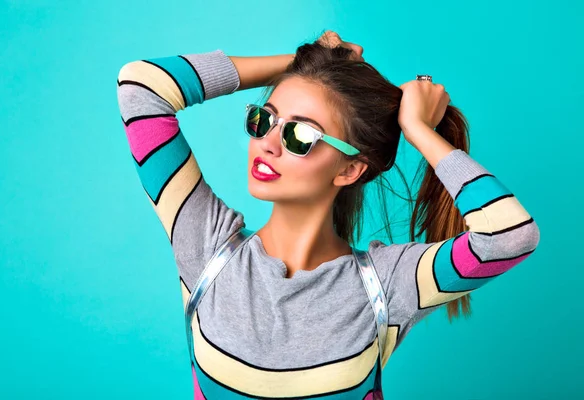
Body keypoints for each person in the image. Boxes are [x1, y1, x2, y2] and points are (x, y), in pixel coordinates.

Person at [116, 30, 540, 399]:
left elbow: (509, 237)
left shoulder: (386, 286)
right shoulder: (205, 246)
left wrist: (419, 131)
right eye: (265, 120)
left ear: (350, 168)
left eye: (300, 134)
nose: (268, 143)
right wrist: (300, 64)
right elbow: (141, 86)